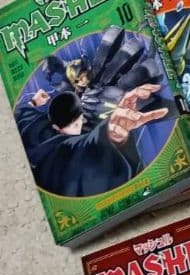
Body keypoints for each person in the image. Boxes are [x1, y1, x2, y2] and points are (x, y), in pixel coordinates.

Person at [17, 84, 168, 197]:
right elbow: (80, 149)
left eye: (78, 121)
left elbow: (23, 115)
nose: (79, 125)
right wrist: (109, 135)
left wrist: (34, 102)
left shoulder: (37, 130)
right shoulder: (65, 153)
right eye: (75, 124)